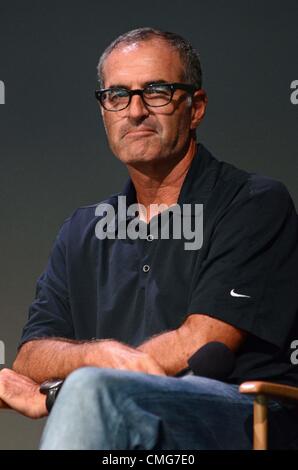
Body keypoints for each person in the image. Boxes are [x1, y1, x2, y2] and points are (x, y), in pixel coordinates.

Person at [1, 27, 298, 449]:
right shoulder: (82, 230)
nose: (135, 111)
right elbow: (30, 358)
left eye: (156, 91)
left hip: (234, 421)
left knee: (93, 393)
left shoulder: (252, 204)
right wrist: (94, 357)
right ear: (104, 110)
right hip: (121, 429)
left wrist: (76, 383)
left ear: (196, 108)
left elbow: (203, 343)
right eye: (117, 95)